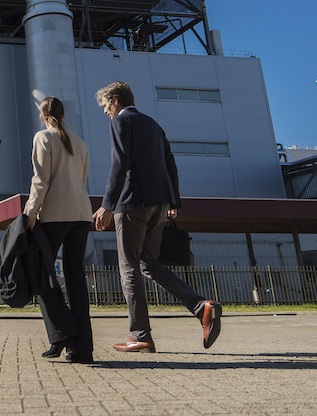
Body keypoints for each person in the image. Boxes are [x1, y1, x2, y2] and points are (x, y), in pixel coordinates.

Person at [92, 81, 222, 352]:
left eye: (105, 106)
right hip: (159, 203)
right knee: (149, 264)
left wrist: (107, 205)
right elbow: (170, 163)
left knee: (129, 267)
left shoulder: (120, 123)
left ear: (115, 100)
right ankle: (201, 307)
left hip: (132, 203)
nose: (105, 112)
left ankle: (140, 335)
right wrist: (173, 200)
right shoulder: (153, 125)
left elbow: (119, 165)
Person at [24, 97, 94, 364]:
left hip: (55, 214)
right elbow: (82, 180)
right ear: (64, 114)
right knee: (76, 278)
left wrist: (31, 212)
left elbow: (41, 180)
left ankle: (61, 333)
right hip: (81, 213)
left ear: (43, 116)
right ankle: (83, 349)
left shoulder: (43, 138)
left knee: (41, 273)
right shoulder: (80, 142)